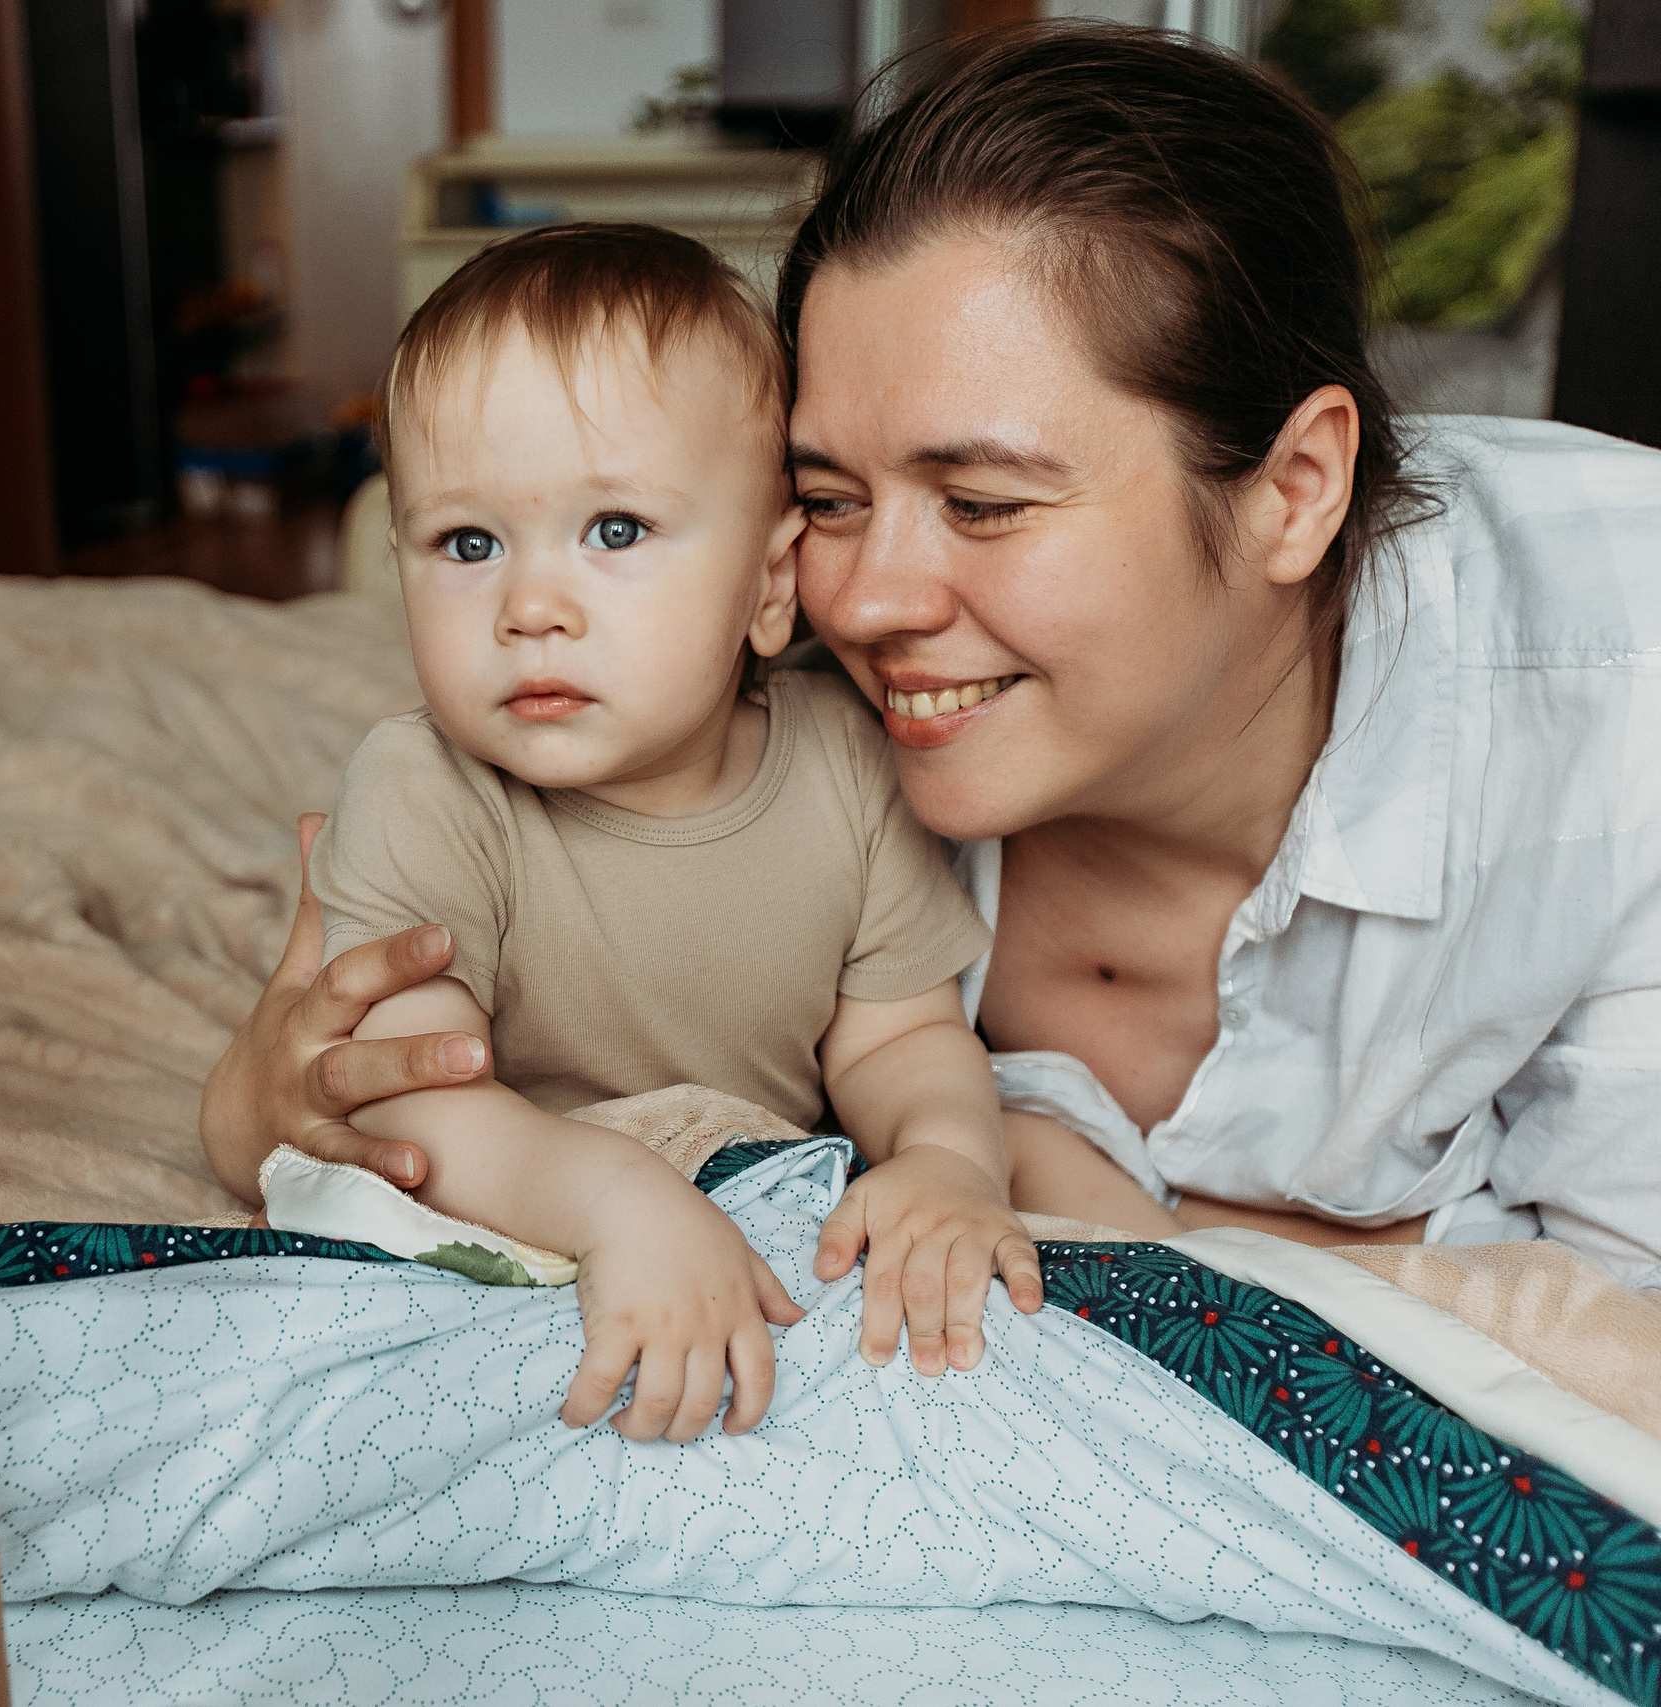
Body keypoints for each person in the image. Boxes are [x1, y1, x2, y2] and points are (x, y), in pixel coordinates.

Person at [204, 21, 1661, 1310]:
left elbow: (1613, 1322)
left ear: (1292, 490)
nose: (864, 598)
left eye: (983, 502)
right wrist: (270, 1096)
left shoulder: (1613, 691)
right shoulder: (727, 692)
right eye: (828, 496)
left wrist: (1125, 1224)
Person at [299, 224, 1132, 1446]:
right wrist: (615, 1203)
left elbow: (901, 1037)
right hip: (542, 1194)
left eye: (615, 530)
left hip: (764, 1190)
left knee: (1013, 1245)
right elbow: (412, 1103)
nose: (531, 608)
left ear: (769, 585)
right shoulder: (424, 788)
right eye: (466, 545)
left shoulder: (845, 762)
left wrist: (944, 1158)